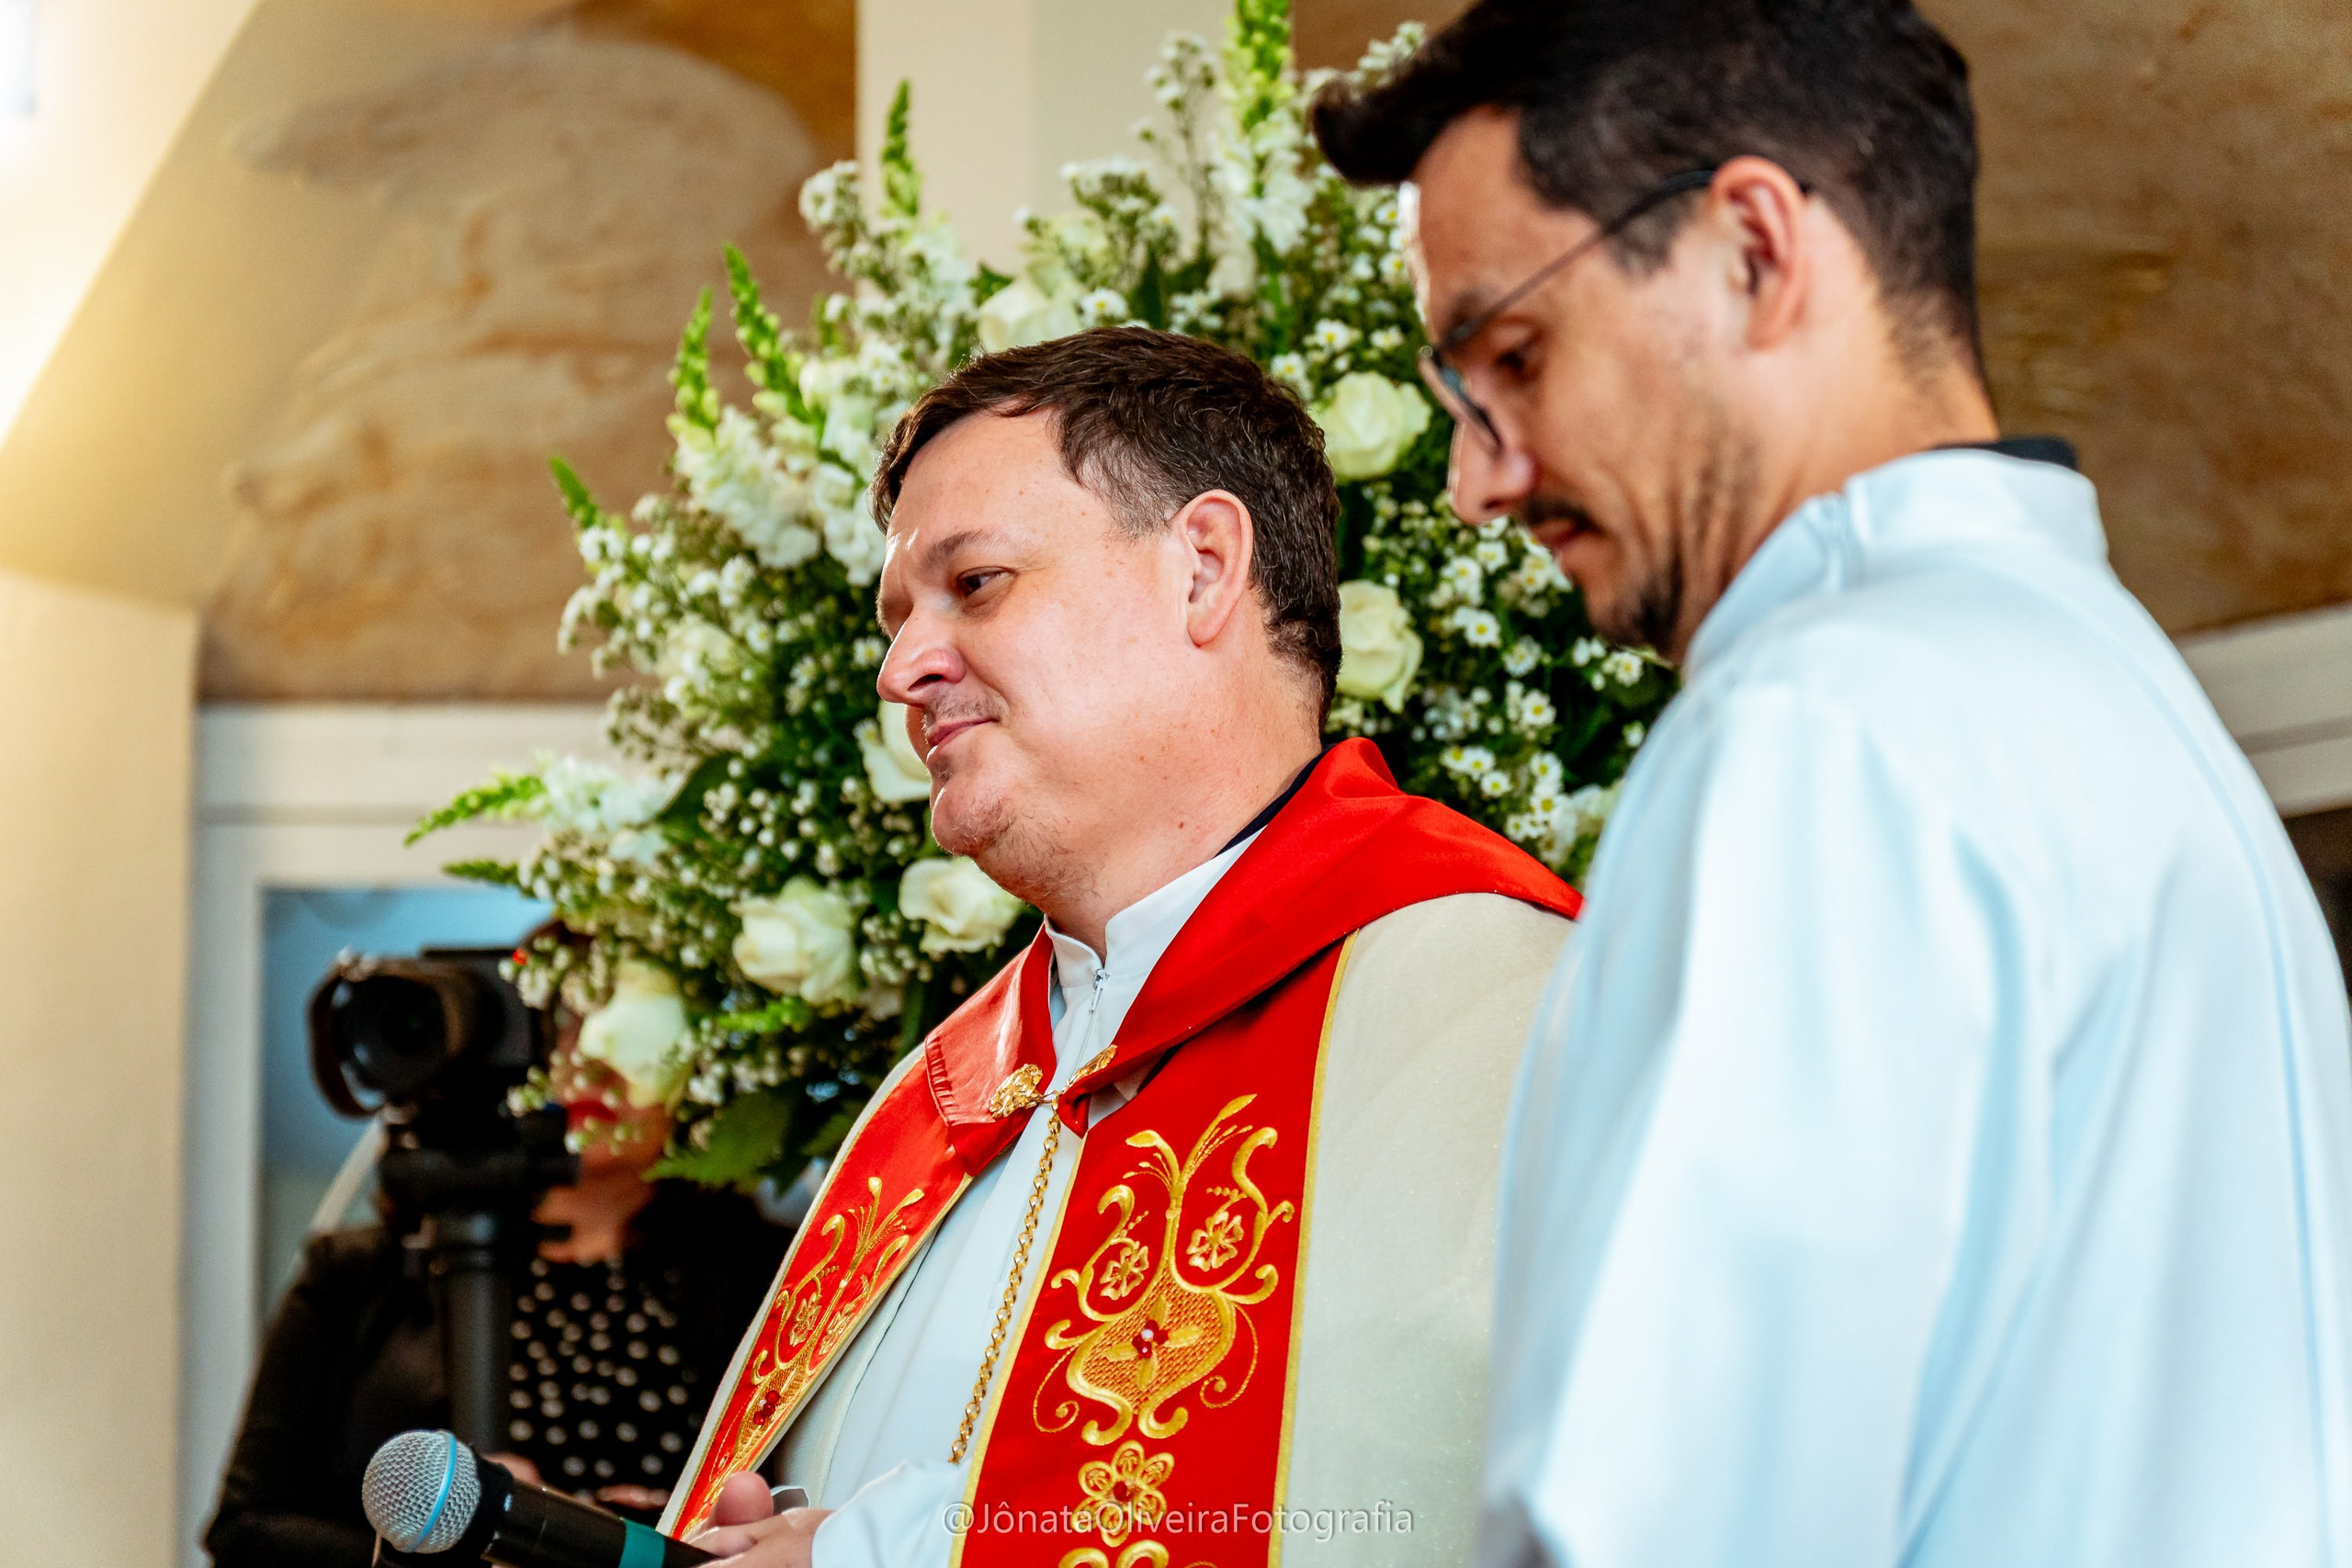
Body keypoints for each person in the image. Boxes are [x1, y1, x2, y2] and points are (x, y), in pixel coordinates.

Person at [1310, 3, 2352, 1565]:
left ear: (1754, 248)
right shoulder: (2127, 702)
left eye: (1511, 356)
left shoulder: (1821, 730)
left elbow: (1660, 1524)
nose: (1480, 480)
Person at [666, 327, 1583, 1568]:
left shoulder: (1479, 995)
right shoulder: (937, 1100)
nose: (902, 668)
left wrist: (901, 1553)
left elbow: (1420, 1505)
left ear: (1202, 567)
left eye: (975, 581)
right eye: (896, 617)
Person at [204, 1055, 789, 1568]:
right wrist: (450, 1541)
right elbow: (247, 1531)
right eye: (554, 1033)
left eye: (621, 1037)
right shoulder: (359, 1272)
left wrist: (620, 1531)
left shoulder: (777, 1272)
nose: (587, 1065)